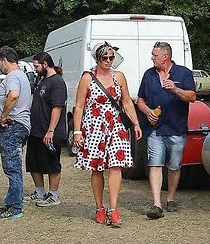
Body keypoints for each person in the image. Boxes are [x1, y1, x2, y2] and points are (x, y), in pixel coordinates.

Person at [72, 42, 142, 227]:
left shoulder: (119, 77)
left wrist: (135, 123)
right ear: (97, 58)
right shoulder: (87, 78)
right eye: (105, 58)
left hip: (116, 126)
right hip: (94, 126)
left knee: (116, 166)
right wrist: (77, 131)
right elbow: (79, 106)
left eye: (111, 58)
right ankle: (99, 208)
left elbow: (127, 101)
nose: (109, 61)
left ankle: (113, 209)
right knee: (97, 168)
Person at [136, 41, 196, 219]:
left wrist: (176, 89)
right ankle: (157, 204)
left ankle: (170, 198)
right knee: (155, 164)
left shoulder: (183, 73)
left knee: (174, 165)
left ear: (166, 57)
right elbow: (140, 100)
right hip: (155, 129)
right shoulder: (149, 75)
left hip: (176, 128)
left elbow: (192, 97)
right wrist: (147, 112)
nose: (152, 58)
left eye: (155, 55)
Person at [0, 46, 32, 220]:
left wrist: (3, 117)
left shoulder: (13, 76)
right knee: (12, 167)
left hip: (12, 126)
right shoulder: (21, 75)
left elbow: (13, 95)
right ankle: (12, 202)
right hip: (19, 126)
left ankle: (15, 207)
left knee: (12, 168)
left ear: (5, 60)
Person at [26, 52, 67, 207]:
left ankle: (53, 195)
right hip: (35, 131)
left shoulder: (56, 82)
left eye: (36, 66)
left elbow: (57, 108)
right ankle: (40, 191)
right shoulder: (42, 80)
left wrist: (51, 130)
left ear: (45, 64)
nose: (35, 69)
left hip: (49, 132)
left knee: (51, 164)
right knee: (33, 163)